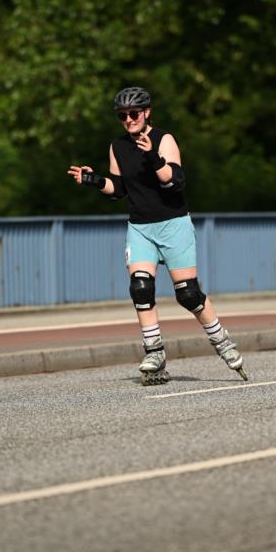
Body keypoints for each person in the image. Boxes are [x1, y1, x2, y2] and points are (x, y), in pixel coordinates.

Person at [68, 86, 248, 385]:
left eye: (133, 113)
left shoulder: (164, 139)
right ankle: (155, 351)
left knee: (188, 294)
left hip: (173, 224)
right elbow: (120, 190)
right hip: (140, 226)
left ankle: (222, 342)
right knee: (140, 286)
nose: (128, 119)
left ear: (147, 112)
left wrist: (151, 156)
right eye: (122, 115)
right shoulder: (118, 146)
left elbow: (174, 183)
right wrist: (94, 180)